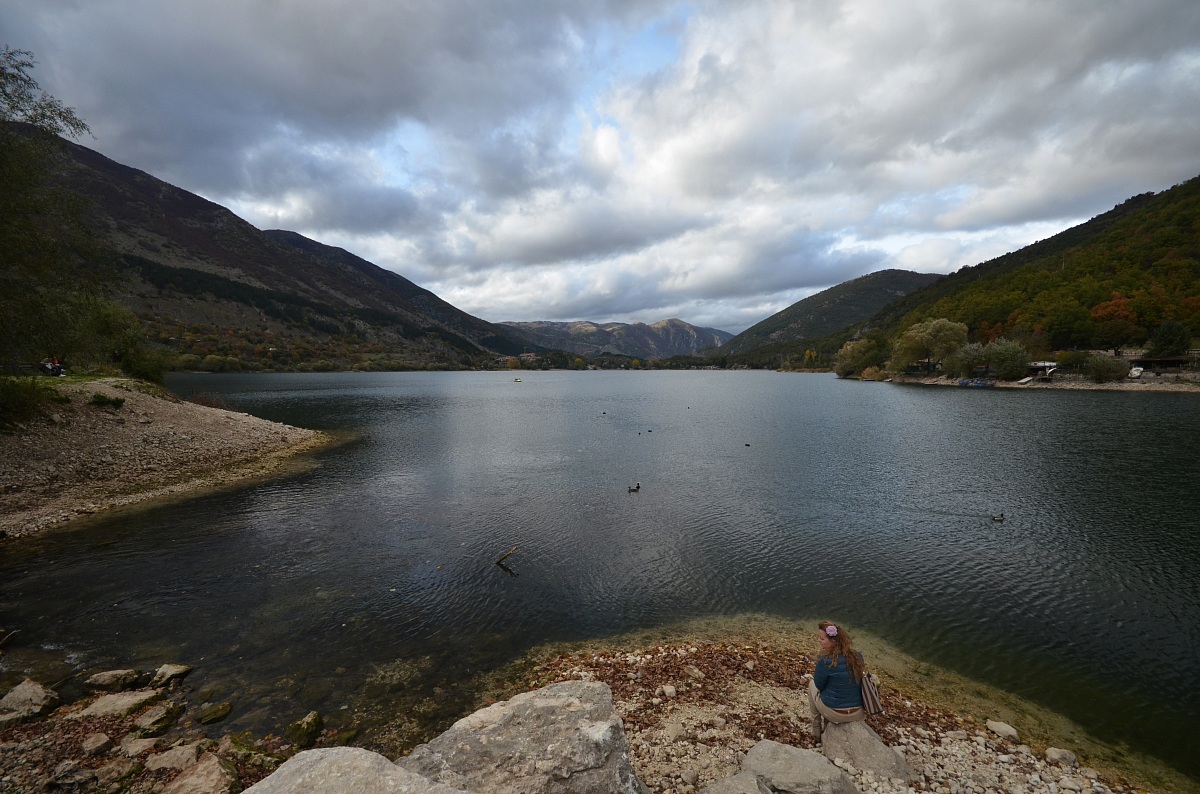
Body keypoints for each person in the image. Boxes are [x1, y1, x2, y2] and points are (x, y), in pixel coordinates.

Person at [807, 619, 867, 742]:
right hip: (858, 712)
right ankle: (826, 724)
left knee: (811, 685)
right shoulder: (857, 656)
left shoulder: (825, 660)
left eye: (822, 639)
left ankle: (816, 729)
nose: (819, 640)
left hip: (836, 713)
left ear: (833, 642)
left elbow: (819, 685)